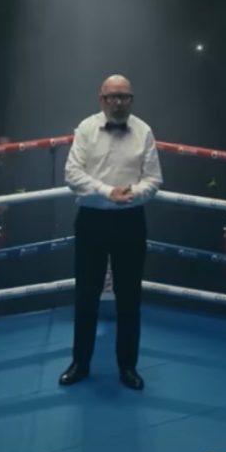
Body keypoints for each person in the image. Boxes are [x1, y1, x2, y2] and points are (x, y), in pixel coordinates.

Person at [59, 75, 163, 390]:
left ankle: (128, 367)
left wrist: (130, 194)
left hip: (131, 219)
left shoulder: (143, 131)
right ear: (102, 99)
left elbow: (154, 179)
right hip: (92, 219)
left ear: (131, 99)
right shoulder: (86, 128)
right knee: (86, 296)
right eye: (113, 97)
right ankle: (80, 362)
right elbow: (72, 174)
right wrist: (107, 192)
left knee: (129, 298)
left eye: (125, 97)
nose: (119, 103)